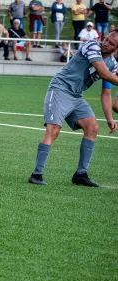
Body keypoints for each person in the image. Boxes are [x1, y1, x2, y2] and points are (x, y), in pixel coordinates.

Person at [28, 32, 118, 187]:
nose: (105, 43)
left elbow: (106, 92)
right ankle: (36, 175)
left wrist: (109, 118)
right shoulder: (92, 45)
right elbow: (103, 73)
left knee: (92, 127)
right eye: (106, 39)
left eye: (111, 43)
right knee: (54, 130)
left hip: (76, 96)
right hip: (60, 89)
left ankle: (80, 175)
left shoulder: (113, 64)